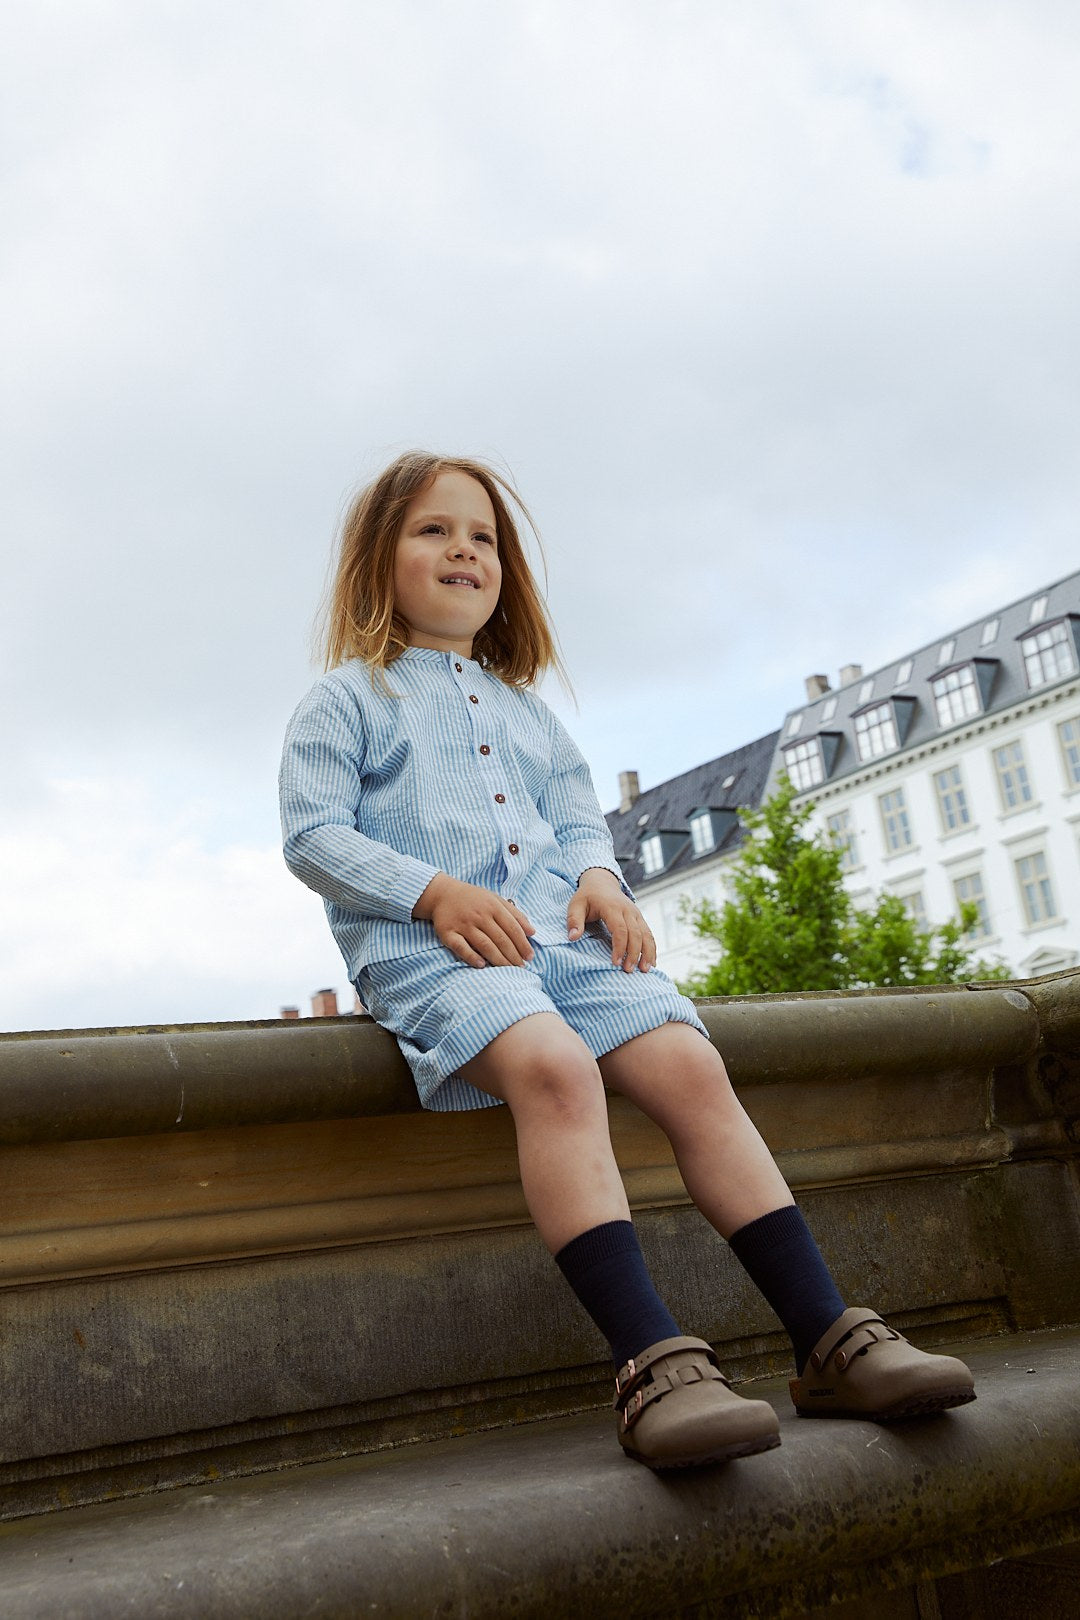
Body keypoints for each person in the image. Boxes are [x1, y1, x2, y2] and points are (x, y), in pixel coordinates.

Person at [279, 451, 975, 1470]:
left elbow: (576, 821)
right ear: (376, 561)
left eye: (484, 537)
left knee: (692, 1065)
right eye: (434, 531)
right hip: (437, 954)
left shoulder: (527, 710)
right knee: (555, 1069)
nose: (464, 549)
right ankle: (651, 1362)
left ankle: (826, 1336)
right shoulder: (347, 700)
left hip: (563, 946)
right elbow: (313, 837)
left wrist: (601, 882)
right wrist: (432, 892)